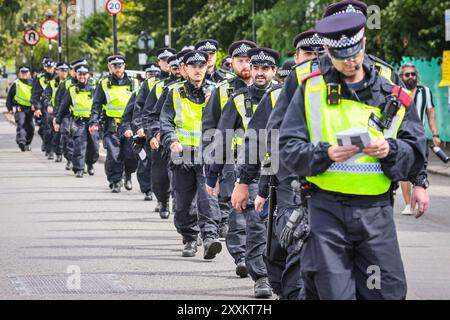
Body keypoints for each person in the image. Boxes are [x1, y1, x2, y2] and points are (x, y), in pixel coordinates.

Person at [279, 11, 427, 300]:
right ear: (328, 51)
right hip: (325, 210)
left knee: (384, 292)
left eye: (355, 52)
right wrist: (326, 153)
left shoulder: (393, 95)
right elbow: (287, 149)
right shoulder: (310, 89)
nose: (350, 60)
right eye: (341, 54)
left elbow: (415, 151)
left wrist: (389, 150)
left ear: (364, 43)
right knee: (334, 292)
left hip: (376, 214)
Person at [207, 47, 280, 298]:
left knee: (282, 227)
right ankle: (260, 277)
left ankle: (281, 277)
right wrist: (213, 174)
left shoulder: (286, 96)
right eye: (256, 68)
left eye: (265, 69)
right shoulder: (238, 99)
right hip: (250, 168)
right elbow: (223, 136)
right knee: (257, 224)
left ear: (274, 71)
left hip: (283, 171)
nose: (259, 73)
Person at [160, 50, 222, 259]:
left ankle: (210, 238)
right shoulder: (174, 92)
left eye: (202, 66)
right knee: (184, 203)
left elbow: (226, 120)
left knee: (208, 198)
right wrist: (171, 140)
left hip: (207, 154)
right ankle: (189, 238)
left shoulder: (217, 92)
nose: (198, 70)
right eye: (193, 66)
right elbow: (165, 120)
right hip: (182, 153)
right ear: (185, 69)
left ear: (207, 68)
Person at [202, 40, 256, 277]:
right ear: (231, 63)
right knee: (239, 209)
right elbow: (211, 129)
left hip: (265, 160)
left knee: (260, 212)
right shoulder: (222, 91)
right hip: (231, 162)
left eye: (248, 61)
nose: (245, 65)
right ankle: (242, 256)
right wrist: (211, 166)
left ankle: (260, 257)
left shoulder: (272, 88)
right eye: (240, 60)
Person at [89, 54, 139, 193]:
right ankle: (116, 181)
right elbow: (97, 104)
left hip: (130, 125)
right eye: (114, 66)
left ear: (124, 66)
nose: (118, 68)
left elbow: (140, 104)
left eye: (120, 65)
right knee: (114, 155)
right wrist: (93, 122)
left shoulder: (134, 83)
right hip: (112, 124)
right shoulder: (104, 83)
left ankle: (128, 174)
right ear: (109, 67)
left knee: (131, 155)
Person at [398, 63, 438, 215]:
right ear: (402, 77)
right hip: (401, 136)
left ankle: (418, 193)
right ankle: (408, 204)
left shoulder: (425, 92)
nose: (410, 77)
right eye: (407, 75)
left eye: (413, 74)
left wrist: (435, 134)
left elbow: (431, 113)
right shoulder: (398, 91)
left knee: (418, 168)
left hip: (419, 138)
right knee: (404, 170)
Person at [55, 63, 99, 177]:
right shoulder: (72, 89)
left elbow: (100, 104)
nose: (82, 76)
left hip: (92, 121)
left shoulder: (95, 87)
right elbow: (63, 106)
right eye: (80, 74)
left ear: (88, 75)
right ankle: (79, 168)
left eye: (84, 74)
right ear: (76, 75)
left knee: (94, 146)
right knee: (79, 145)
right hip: (78, 122)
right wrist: (58, 120)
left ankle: (90, 164)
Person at [42, 62, 69, 162]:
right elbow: (45, 96)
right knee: (54, 133)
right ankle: (57, 153)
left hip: (67, 113)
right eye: (62, 70)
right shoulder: (52, 83)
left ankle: (66, 154)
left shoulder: (70, 83)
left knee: (66, 134)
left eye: (66, 71)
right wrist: (48, 105)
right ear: (58, 71)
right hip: (54, 111)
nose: (64, 73)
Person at [31, 57, 56, 156]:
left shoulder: (59, 77)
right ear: (45, 67)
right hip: (45, 106)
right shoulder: (40, 78)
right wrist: (36, 107)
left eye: (51, 67)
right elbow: (35, 93)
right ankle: (49, 149)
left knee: (56, 129)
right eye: (48, 67)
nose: (50, 69)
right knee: (47, 128)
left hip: (58, 106)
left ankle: (52, 146)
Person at [6, 66, 34, 151]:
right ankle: (21, 141)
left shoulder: (33, 83)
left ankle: (27, 143)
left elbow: (37, 96)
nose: (24, 74)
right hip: (20, 108)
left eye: (26, 72)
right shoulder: (16, 83)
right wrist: (10, 108)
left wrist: (36, 106)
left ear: (29, 73)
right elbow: (9, 97)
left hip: (30, 109)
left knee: (30, 127)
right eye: (22, 72)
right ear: (19, 73)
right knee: (21, 123)